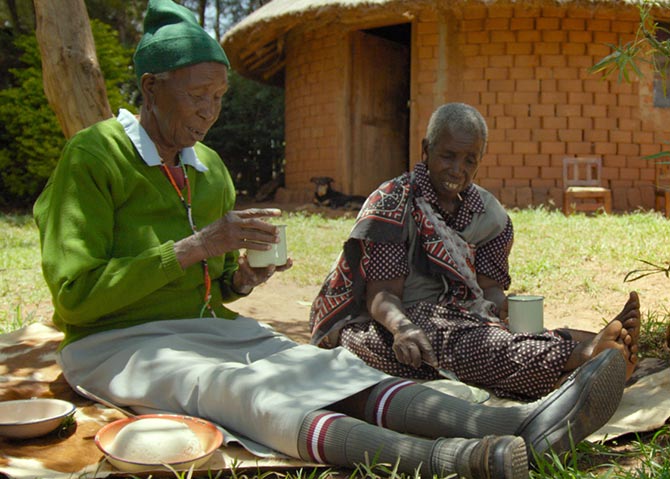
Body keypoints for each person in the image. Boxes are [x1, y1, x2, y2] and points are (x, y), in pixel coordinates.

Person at [34, 3, 626, 478]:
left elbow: (205, 295)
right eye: (198, 97)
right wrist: (196, 248)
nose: (210, 113)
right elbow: (76, 298)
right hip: (116, 343)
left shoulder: (207, 167)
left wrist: (240, 279)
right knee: (233, 388)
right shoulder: (94, 157)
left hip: (210, 328)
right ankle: (452, 460)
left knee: (324, 372)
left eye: (220, 98)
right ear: (150, 87)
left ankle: (518, 425)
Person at [310, 102, 640, 401]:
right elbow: (382, 295)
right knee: (442, 340)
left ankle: (590, 356)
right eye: (448, 156)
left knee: (500, 335)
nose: (458, 169)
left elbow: (489, 290)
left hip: (462, 318)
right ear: (427, 150)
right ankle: (581, 358)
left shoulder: (489, 215)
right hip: (382, 322)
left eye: (470, 160)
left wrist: (504, 312)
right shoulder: (394, 202)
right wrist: (402, 328)